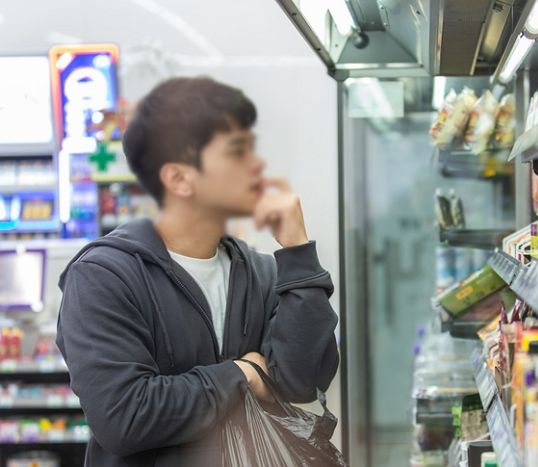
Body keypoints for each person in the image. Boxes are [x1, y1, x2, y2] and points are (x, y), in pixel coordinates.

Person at [56, 77, 340, 467]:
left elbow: (303, 381)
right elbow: (125, 417)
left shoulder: (260, 272)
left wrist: (297, 251)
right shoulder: (104, 276)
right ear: (178, 178)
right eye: (236, 152)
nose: (257, 165)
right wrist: (243, 375)